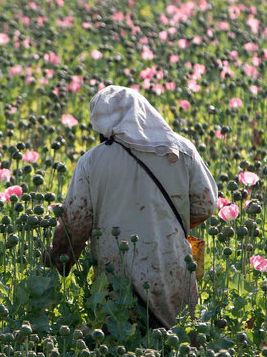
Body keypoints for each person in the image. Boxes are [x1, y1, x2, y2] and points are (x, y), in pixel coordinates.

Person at [44, 85, 218, 328]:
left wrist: (57, 264)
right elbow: (206, 204)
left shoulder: (92, 162)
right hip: (172, 266)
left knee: (121, 342)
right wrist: (164, 224)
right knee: (176, 343)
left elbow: (76, 222)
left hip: (116, 277)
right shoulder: (181, 150)